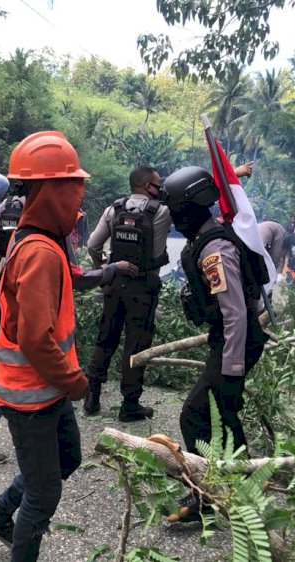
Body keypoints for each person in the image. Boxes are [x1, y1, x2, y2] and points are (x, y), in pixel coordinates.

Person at [0, 131, 90, 561]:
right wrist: (76, 382)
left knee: (68, 458)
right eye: (75, 190)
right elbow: (36, 339)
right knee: (43, 495)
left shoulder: (34, 241)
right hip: (31, 396)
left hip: (45, 391)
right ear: (52, 192)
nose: (79, 203)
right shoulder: (39, 251)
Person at [0, 196, 136, 465]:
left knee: (10, 377)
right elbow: (75, 277)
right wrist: (111, 269)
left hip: (9, 316)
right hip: (22, 320)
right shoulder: (44, 243)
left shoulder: (24, 226)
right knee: (14, 380)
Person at [159, 166, 267, 521]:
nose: (174, 219)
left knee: (194, 414)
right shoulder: (207, 235)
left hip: (237, 341)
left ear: (189, 211)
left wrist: (231, 369)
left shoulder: (214, 250)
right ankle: (246, 484)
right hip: (232, 338)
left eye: (176, 212)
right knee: (223, 411)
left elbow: (234, 312)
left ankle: (204, 496)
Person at [84, 166, 171, 421]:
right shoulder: (161, 211)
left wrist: (102, 269)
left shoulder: (114, 209)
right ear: (147, 186)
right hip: (143, 287)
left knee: (106, 337)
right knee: (136, 344)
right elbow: (156, 255)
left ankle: (92, 397)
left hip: (115, 284)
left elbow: (92, 245)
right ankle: (129, 404)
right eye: (157, 184)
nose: (160, 189)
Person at [258, 219, 286, 285]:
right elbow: (276, 252)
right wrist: (274, 270)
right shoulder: (279, 228)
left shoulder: (263, 224)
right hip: (260, 248)